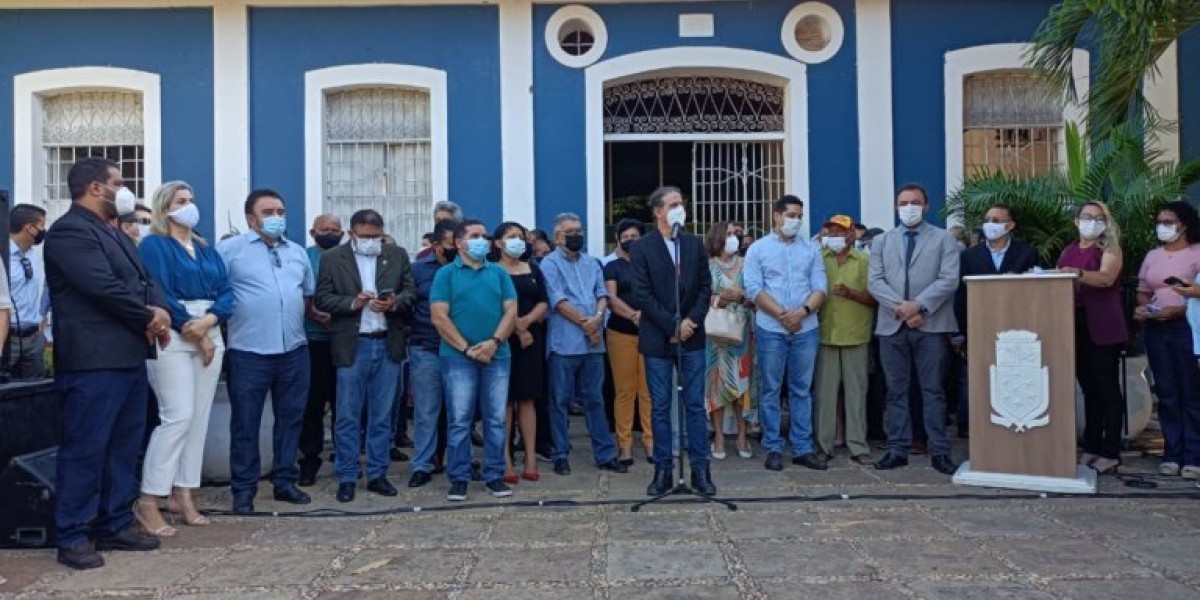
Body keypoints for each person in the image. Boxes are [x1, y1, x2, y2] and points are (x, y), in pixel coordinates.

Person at [46, 157, 168, 570]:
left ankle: (114, 521)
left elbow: (145, 280)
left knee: (124, 444)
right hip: (92, 361)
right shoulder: (69, 232)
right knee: (86, 448)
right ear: (96, 188)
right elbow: (102, 287)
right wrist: (148, 317)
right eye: (118, 182)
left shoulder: (112, 231)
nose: (124, 188)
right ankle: (74, 533)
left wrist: (161, 310)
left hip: (127, 356)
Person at [134, 181, 233, 536]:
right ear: (165, 207)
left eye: (191, 199)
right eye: (181, 201)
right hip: (173, 332)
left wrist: (209, 324)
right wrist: (194, 330)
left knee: (199, 419)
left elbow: (226, 290)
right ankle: (149, 499)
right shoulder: (154, 245)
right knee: (177, 416)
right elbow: (158, 290)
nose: (190, 206)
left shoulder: (205, 248)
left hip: (209, 326)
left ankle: (183, 493)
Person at [217, 189, 317, 514]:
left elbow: (306, 296)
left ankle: (285, 481)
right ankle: (243, 491)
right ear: (251, 218)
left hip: (294, 350)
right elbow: (215, 294)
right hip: (249, 351)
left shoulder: (298, 253)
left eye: (280, 211)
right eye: (268, 212)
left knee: (291, 419)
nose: (277, 217)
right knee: (245, 423)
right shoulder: (230, 251)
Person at [315, 209, 415, 502]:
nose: (372, 241)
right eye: (366, 236)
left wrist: (395, 303)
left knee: (382, 415)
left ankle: (377, 474)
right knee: (347, 414)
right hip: (352, 345)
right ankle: (347, 476)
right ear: (352, 233)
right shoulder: (333, 258)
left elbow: (411, 292)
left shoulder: (396, 255)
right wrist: (352, 302)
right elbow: (322, 297)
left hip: (387, 343)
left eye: (377, 236)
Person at [867, 183, 960, 475]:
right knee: (895, 391)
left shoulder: (944, 239)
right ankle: (897, 449)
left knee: (933, 390)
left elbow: (948, 280)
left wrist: (918, 306)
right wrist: (902, 309)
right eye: (904, 202)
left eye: (915, 202)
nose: (909, 207)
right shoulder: (882, 241)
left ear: (926, 206)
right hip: (892, 326)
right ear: (896, 207)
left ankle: (940, 451)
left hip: (931, 326)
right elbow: (875, 281)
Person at [630, 186, 715, 495]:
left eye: (682, 204)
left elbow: (706, 287)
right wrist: (672, 324)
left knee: (694, 405)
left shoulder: (693, 245)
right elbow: (642, 294)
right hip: (658, 338)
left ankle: (700, 470)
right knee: (661, 407)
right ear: (658, 211)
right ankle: (663, 470)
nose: (680, 209)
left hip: (691, 338)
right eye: (674, 204)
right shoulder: (642, 248)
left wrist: (690, 322)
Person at [430, 219, 518, 501]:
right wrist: (467, 349)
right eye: (475, 235)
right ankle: (459, 477)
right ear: (458, 243)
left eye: (485, 235)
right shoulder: (445, 274)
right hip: (457, 358)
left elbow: (511, 311)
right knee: (459, 420)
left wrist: (494, 343)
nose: (483, 239)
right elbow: (439, 317)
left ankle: (494, 475)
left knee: (495, 419)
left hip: (498, 355)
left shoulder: (499, 273)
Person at [744, 195, 828, 472]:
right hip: (771, 329)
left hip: (806, 328)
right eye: (791, 215)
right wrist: (782, 315)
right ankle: (773, 447)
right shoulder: (758, 249)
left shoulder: (811, 249)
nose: (796, 220)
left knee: (801, 390)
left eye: (799, 216)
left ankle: (802, 447)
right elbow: (754, 289)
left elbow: (820, 288)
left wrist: (801, 312)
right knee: (770, 389)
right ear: (777, 216)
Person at [540, 212, 627, 476]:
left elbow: (602, 294)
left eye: (579, 231)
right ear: (558, 236)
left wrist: (597, 320)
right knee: (560, 400)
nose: (577, 235)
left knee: (595, 399)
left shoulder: (592, 263)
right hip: (564, 344)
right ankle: (561, 454)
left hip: (593, 343)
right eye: (571, 232)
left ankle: (604, 454)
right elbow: (557, 300)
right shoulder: (549, 263)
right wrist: (586, 324)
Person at [952, 204, 1038, 437]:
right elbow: (961, 295)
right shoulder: (969, 256)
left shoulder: (1026, 252)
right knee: (973, 380)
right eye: (988, 219)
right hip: (978, 326)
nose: (991, 224)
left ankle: (1007, 428)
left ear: (1010, 225)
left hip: (1017, 328)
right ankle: (970, 428)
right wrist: (959, 332)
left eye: (997, 220)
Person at [1134, 201, 1200, 478]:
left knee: (1191, 392)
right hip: (1156, 328)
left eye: (1169, 222)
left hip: (1186, 327)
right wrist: (1143, 308)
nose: (1163, 226)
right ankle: (1172, 453)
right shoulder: (1153, 255)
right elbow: (1144, 289)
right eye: (1160, 222)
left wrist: (1179, 309)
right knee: (1167, 391)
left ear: (1184, 224)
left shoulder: (1197, 252)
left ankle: (1193, 456)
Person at [814, 215, 876, 465]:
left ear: (852, 234)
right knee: (825, 395)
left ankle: (858, 445)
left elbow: (876, 298)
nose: (835, 236)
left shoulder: (865, 261)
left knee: (856, 393)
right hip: (825, 334)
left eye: (840, 232)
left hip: (855, 334)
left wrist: (851, 294)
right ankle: (823, 446)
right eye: (830, 231)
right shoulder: (818, 260)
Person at [493, 222, 549, 482]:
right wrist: (517, 328)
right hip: (502, 339)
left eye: (522, 237)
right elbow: (495, 305)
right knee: (504, 401)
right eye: (512, 237)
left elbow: (543, 302)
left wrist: (527, 324)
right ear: (498, 243)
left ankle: (530, 456)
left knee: (528, 399)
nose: (519, 241)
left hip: (531, 341)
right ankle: (505, 459)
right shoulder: (492, 271)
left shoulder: (534, 269)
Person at [406, 219, 458, 488]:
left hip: (461, 349)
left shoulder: (467, 269)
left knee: (461, 412)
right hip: (426, 346)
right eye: (452, 243)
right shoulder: (417, 270)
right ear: (437, 245)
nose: (457, 248)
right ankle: (423, 463)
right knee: (427, 410)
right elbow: (408, 304)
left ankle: (459, 461)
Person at [703, 221, 757, 461]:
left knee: (741, 385)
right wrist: (719, 299)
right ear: (717, 237)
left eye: (737, 233)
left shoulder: (747, 265)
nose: (735, 237)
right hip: (715, 335)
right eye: (729, 233)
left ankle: (742, 435)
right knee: (716, 384)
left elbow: (757, 295)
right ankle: (719, 437)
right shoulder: (707, 266)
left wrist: (743, 297)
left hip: (742, 334)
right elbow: (698, 296)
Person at [605, 218, 654, 465]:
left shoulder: (652, 265)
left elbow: (659, 295)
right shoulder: (612, 267)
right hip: (620, 334)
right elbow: (611, 299)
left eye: (635, 236)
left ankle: (650, 442)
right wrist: (634, 315)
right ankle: (624, 444)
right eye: (625, 237)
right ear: (618, 240)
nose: (630, 241)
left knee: (648, 392)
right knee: (625, 392)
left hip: (650, 335)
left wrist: (648, 316)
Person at [298, 214, 342, 486]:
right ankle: (310, 458)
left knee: (345, 403)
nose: (330, 233)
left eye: (335, 230)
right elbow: (298, 291)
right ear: (313, 232)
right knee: (312, 403)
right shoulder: (303, 257)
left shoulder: (348, 257)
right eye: (325, 229)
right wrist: (314, 313)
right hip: (312, 340)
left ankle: (345, 456)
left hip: (344, 339)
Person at [7, 203, 50, 379]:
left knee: (32, 396)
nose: (44, 231)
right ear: (30, 228)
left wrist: (41, 315)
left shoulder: (34, 256)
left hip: (33, 337)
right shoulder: (3, 256)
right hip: (8, 338)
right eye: (41, 226)